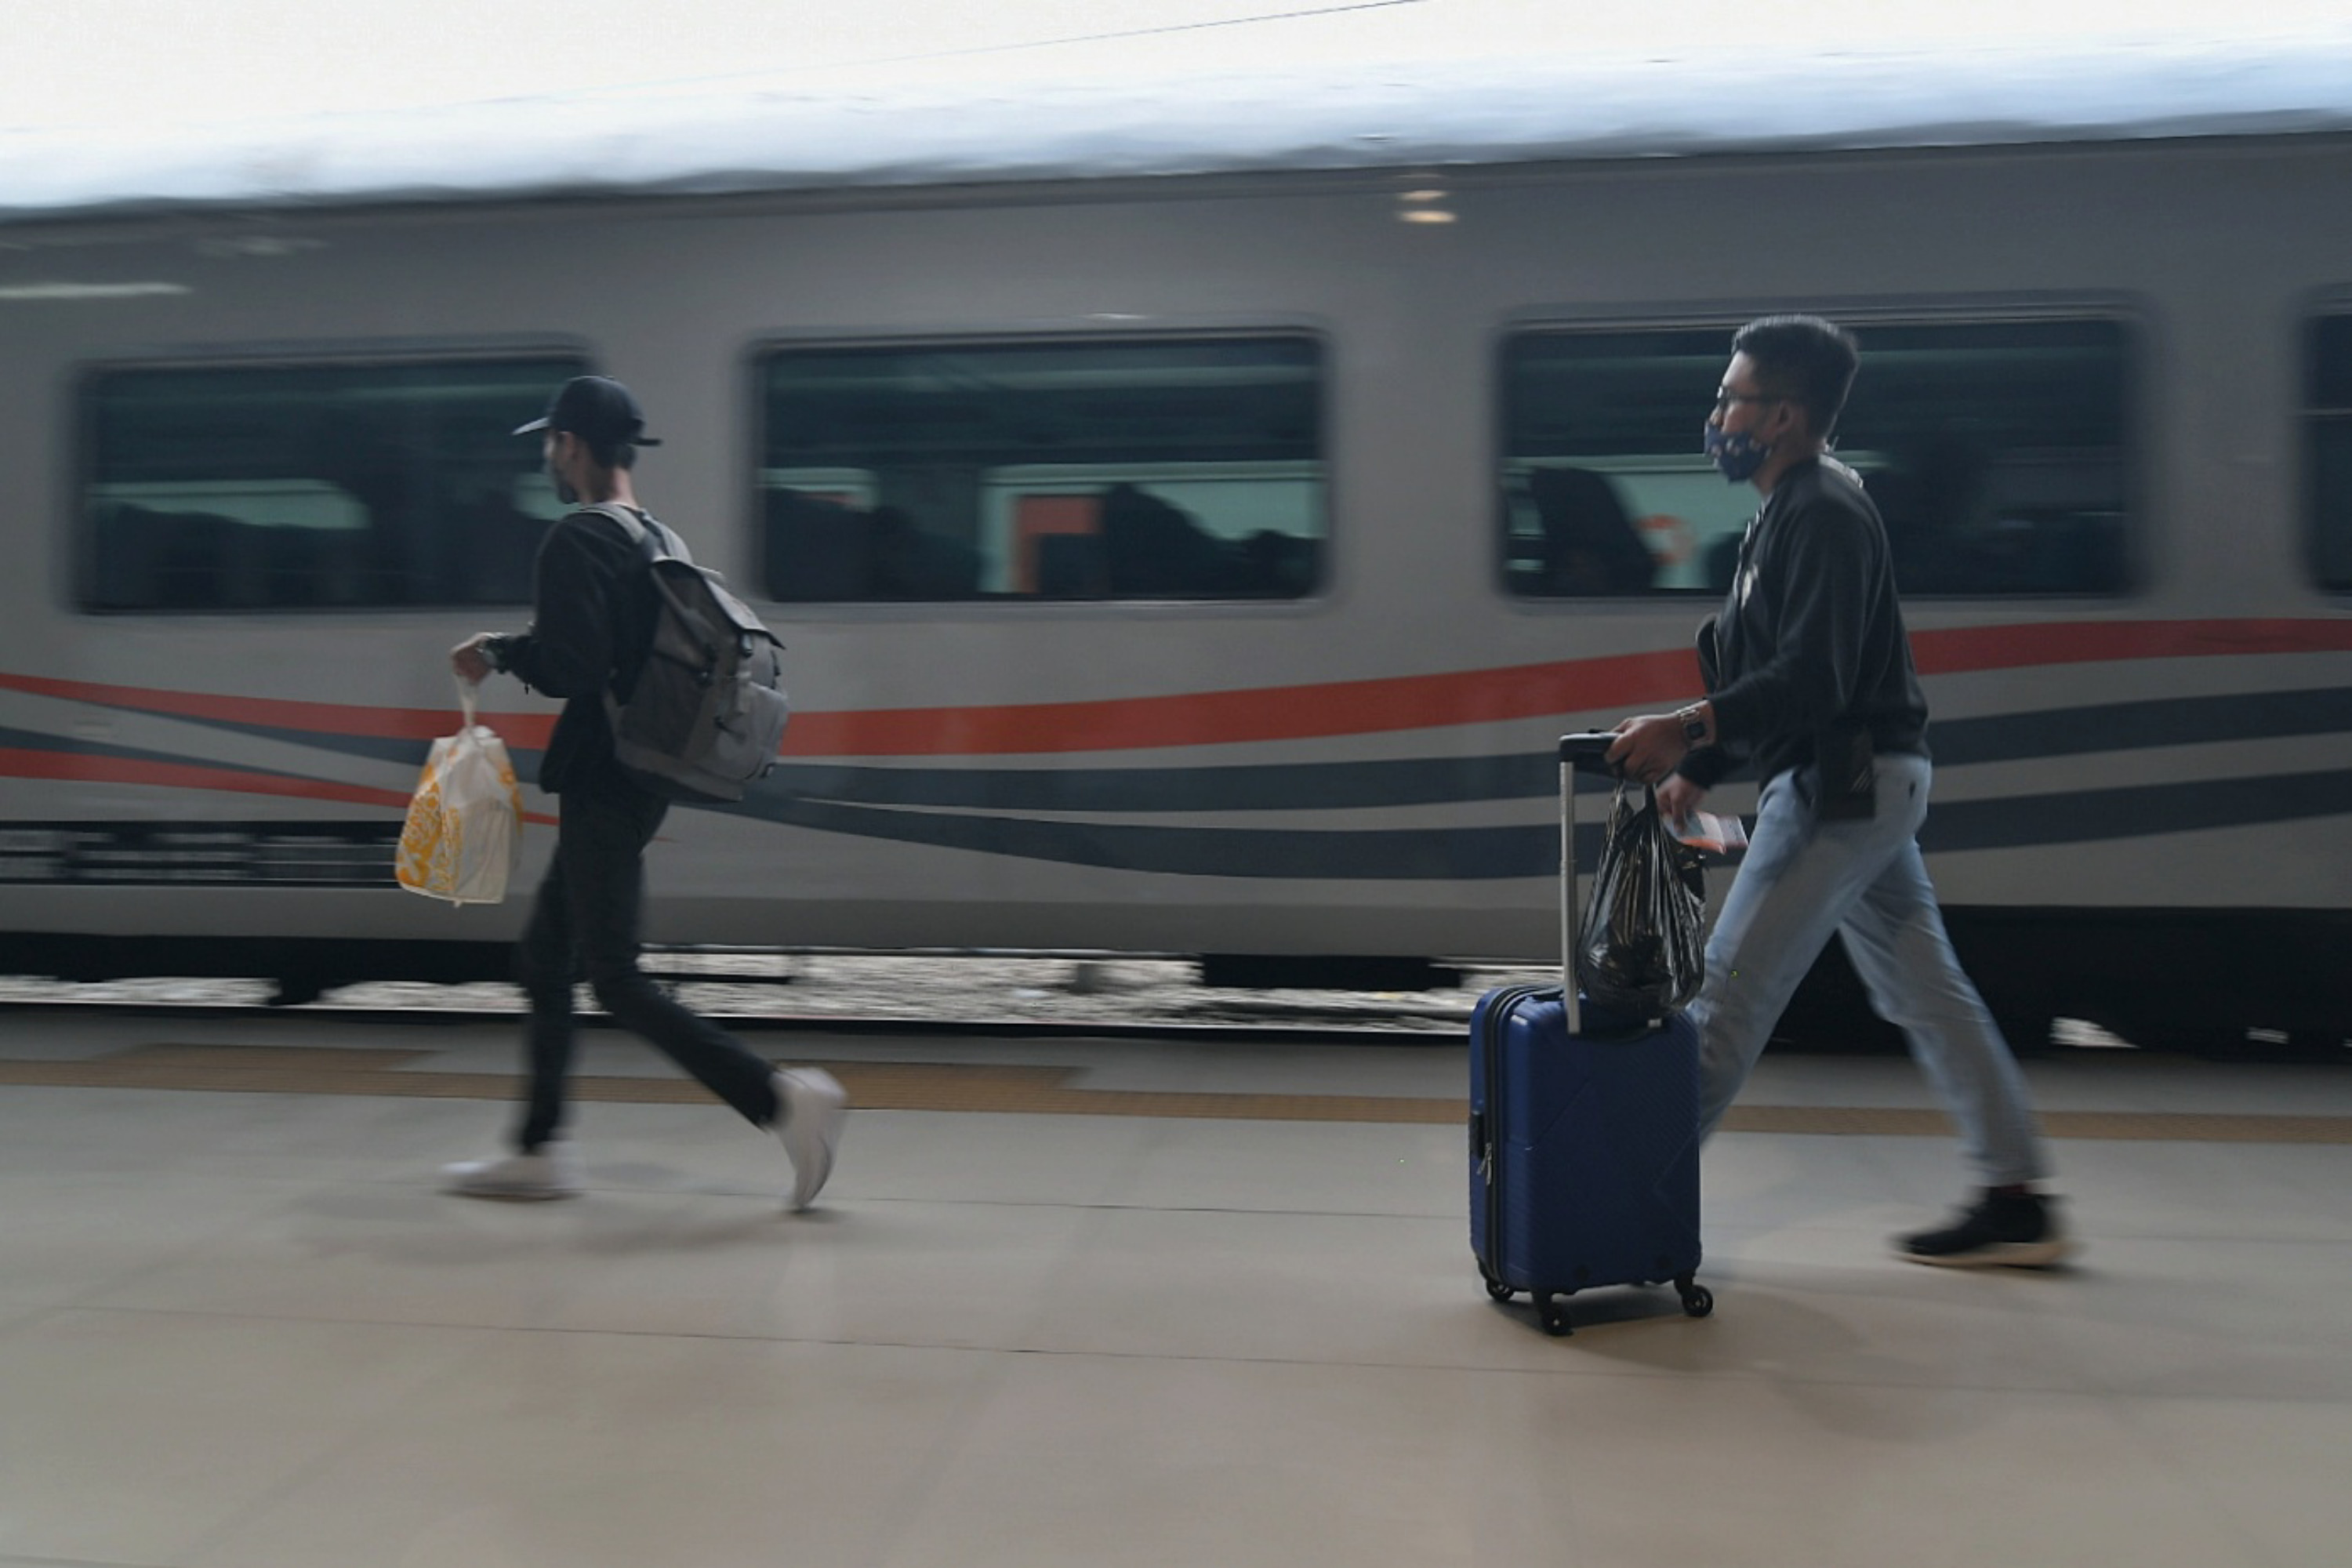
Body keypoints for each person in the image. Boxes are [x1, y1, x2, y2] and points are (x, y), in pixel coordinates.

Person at [1605, 316, 2074, 1268]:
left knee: (1729, 994)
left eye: (1732, 397)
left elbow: (1812, 678)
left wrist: (1683, 730)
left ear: (1781, 414)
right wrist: (1703, 770)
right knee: (1928, 992)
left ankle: (1612, 1203)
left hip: (1839, 781)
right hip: (1861, 780)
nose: (1718, 414)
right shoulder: (1792, 511)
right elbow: (1767, 665)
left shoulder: (1820, 510)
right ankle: (2017, 1193)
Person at [445, 375, 847, 1207]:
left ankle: (780, 1099)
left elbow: (577, 663)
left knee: (614, 974)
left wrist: (502, 652)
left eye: (552, 443)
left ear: (573, 446)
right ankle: (538, 1147)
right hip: (646, 765)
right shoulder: (653, 532)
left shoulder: (575, 538)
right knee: (545, 955)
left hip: (607, 772)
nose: (550, 459)